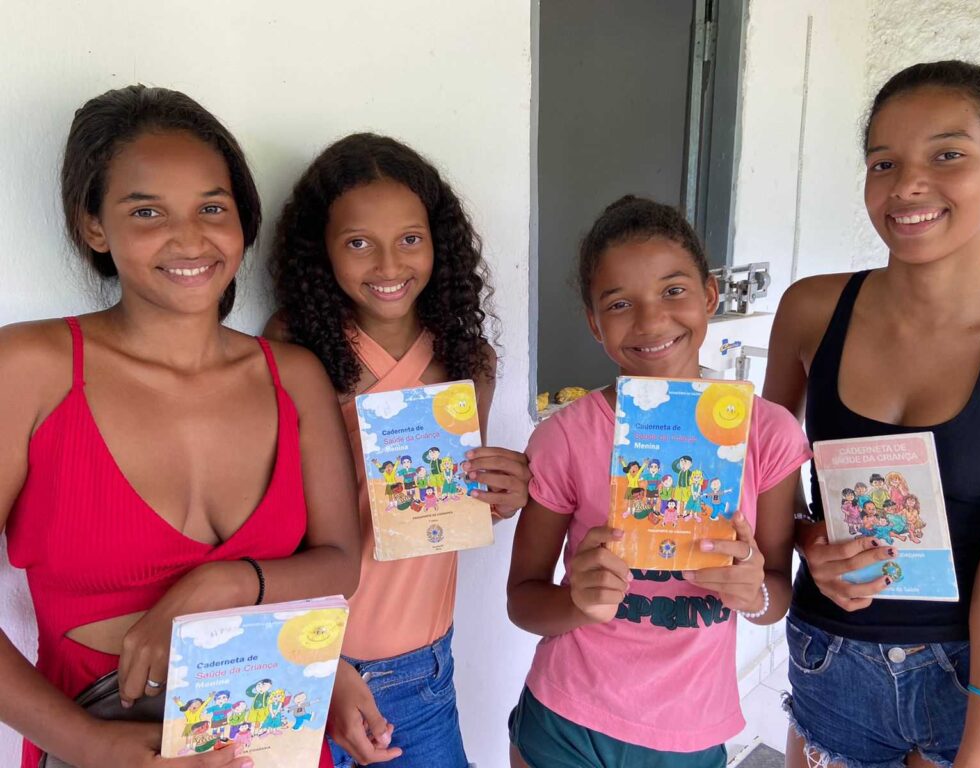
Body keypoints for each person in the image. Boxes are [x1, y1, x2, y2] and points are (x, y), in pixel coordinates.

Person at [0, 85, 361, 768]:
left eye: (212, 208)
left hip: (271, 730)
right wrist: (89, 744)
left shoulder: (293, 376)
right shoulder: (30, 368)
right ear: (94, 227)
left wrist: (224, 584)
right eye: (147, 211)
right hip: (99, 738)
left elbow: (340, 565)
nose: (190, 237)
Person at [764, 61, 980, 767]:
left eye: (947, 155)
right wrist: (807, 537)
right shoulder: (811, 309)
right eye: (884, 162)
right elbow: (764, 475)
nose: (907, 185)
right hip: (830, 659)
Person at [506, 195, 810, 768]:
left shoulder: (767, 433)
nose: (650, 321)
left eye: (673, 290)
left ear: (710, 296)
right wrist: (578, 602)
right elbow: (523, 600)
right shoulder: (565, 437)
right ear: (595, 324)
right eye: (620, 303)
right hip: (566, 719)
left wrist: (754, 594)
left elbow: (776, 595)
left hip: (691, 730)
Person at [266, 133, 531, 767]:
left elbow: (459, 501)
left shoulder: (469, 359)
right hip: (310, 661)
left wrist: (502, 495)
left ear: (439, 241)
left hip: (420, 669)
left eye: (410, 238)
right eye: (359, 243)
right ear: (321, 249)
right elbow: (266, 509)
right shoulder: (295, 349)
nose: (388, 265)